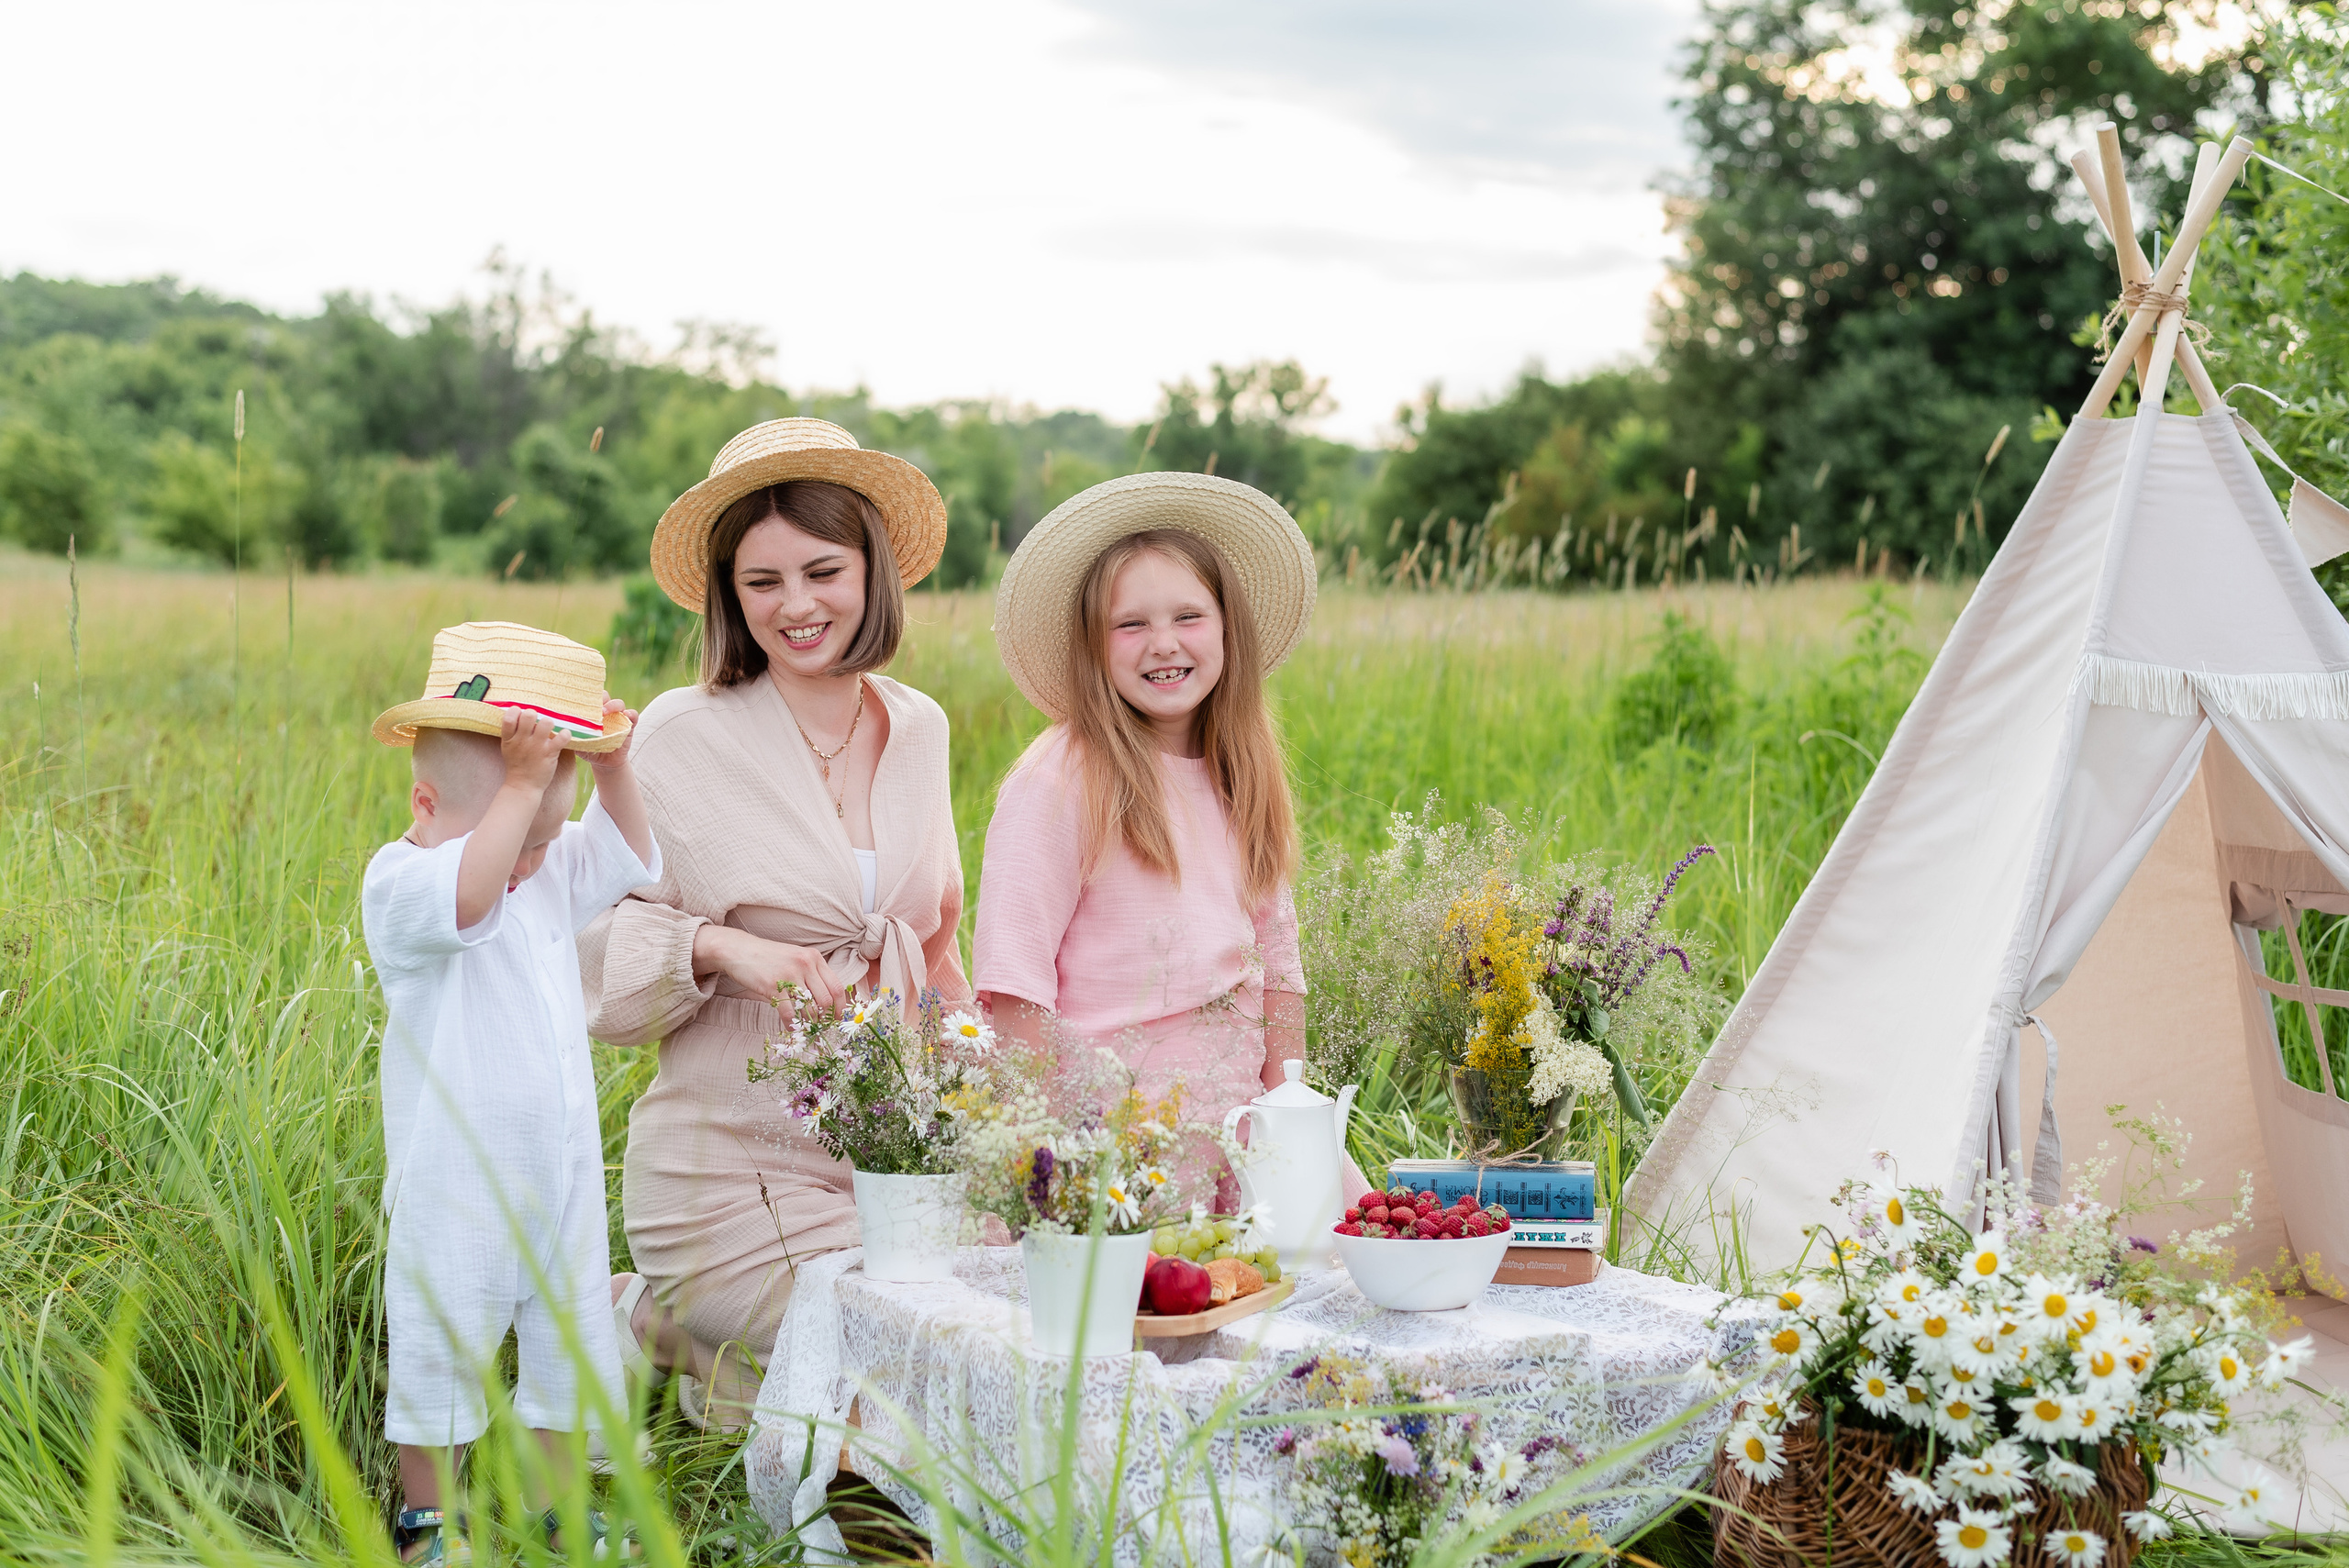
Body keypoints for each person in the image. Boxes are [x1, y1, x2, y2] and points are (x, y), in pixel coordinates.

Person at [581, 418, 968, 1429]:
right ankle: (674, 1311)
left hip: (887, 1155)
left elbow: (934, 939)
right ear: (730, 594)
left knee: (995, 1326)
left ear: (872, 569)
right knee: (895, 1357)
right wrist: (718, 947)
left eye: (823, 569)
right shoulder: (679, 734)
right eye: (762, 582)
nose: (796, 605)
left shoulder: (918, 724)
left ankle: (673, 1336)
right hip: (727, 1164)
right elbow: (583, 946)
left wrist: (979, 1106)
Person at [362, 622, 657, 1564]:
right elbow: (468, 895)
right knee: (442, 1337)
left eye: (542, 841)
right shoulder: (402, 881)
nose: (533, 861)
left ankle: (554, 1504)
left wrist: (608, 763)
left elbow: (622, 852)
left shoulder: (534, 869)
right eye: (519, 837)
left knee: (570, 1344)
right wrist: (524, 791)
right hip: (457, 1173)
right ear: (425, 800)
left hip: (559, 1165)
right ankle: (428, 1519)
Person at [974, 472, 1330, 1181]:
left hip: (1244, 1132)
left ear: (1229, 627)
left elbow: (1278, 971)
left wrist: (1285, 1114)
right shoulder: (1059, 781)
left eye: (1188, 617)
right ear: (1094, 646)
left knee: (1371, 1259)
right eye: (1131, 624)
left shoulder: (1240, 772)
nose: (1163, 643)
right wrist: (1072, 1159)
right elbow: (1014, 999)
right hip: (1110, 1147)